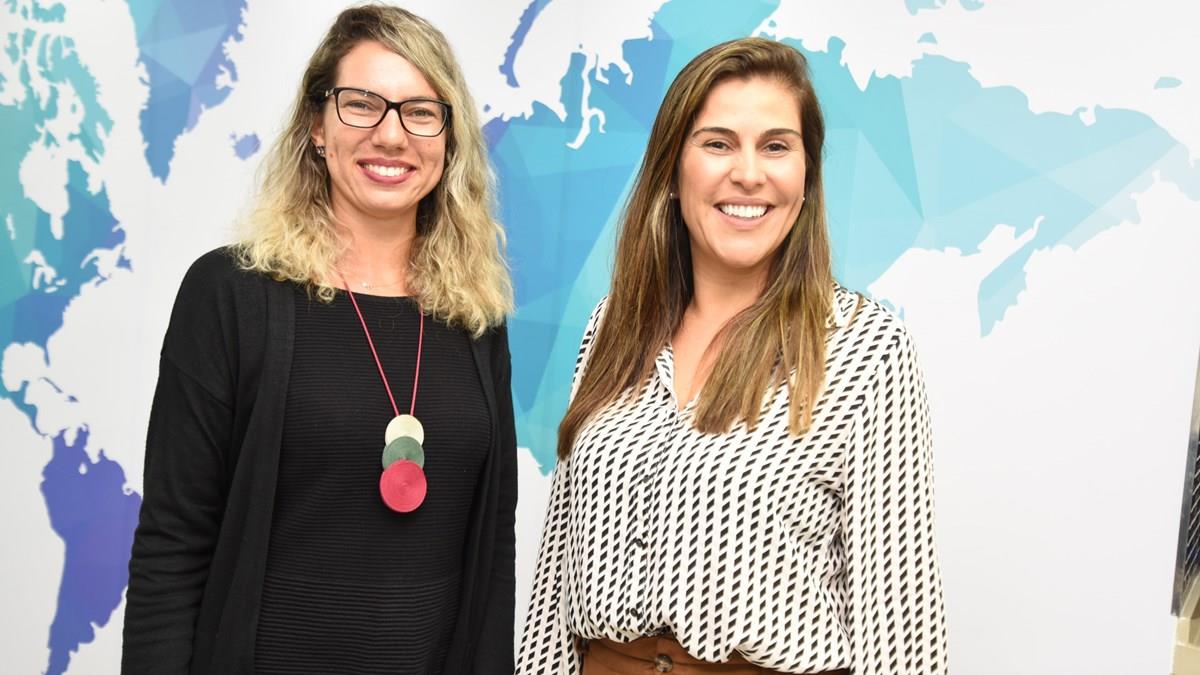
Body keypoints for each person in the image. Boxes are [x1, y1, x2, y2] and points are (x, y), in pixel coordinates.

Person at [517, 37, 947, 675]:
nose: (748, 173)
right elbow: (556, 579)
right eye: (718, 143)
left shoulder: (865, 346)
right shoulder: (613, 324)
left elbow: (902, 625)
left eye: (776, 146)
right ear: (672, 171)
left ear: (807, 177)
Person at [122, 5, 516, 674]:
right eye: (361, 104)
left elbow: (492, 550)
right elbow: (172, 544)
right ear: (316, 124)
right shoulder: (230, 294)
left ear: (449, 141)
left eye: (421, 112)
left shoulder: (476, 312)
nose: (391, 135)